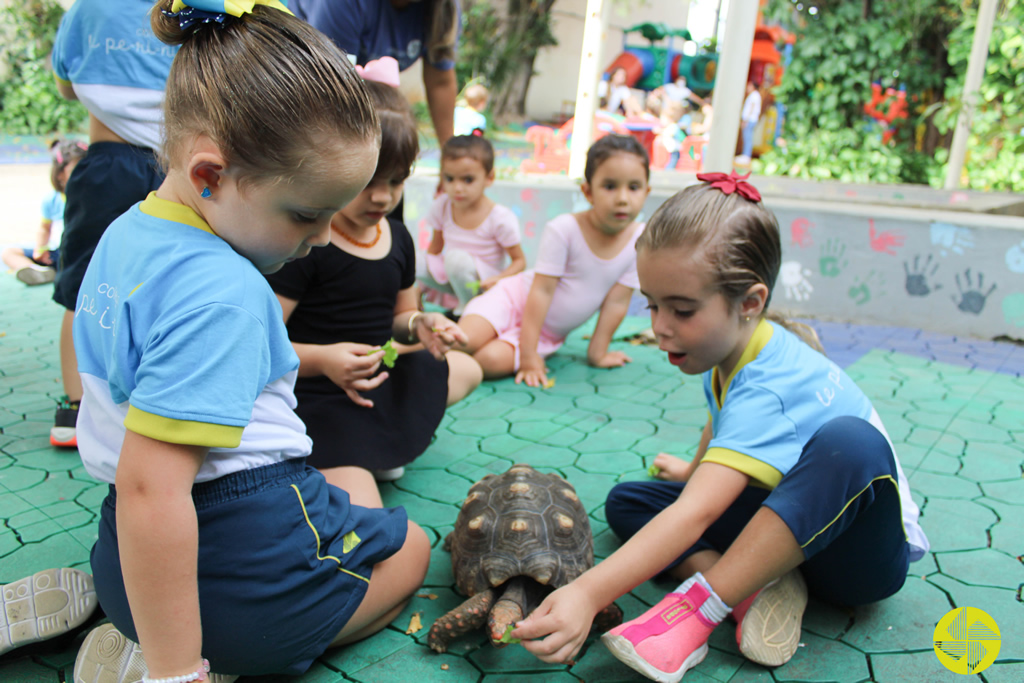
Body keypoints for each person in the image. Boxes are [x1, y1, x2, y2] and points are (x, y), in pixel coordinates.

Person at [63, 2, 431, 681]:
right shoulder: (223, 292)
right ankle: (229, 655)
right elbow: (156, 488)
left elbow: (134, 479)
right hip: (237, 580)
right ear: (210, 174)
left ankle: (145, 631)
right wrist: (178, 670)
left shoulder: (124, 233)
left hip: (124, 568)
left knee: (350, 478)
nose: (321, 238)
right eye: (305, 214)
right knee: (412, 544)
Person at [509, 174, 929, 682]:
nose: (660, 325)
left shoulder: (770, 382)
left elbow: (697, 512)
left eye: (681, 309)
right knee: (632, 500)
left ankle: (698, 609)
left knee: (852, 443)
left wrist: (585, 593)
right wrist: (692, 469)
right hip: (791, 528)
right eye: (652, 303)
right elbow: (722, 425)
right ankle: (756, 587)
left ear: (750, 302)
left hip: (858, 558)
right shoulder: (729, 355)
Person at [266, 80, 483, 488]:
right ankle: (358, 452)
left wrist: (421, 323)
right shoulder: (309, 242)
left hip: (378, 370)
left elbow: (401, 314)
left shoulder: (397, 237)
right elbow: (264, 343)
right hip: (319, 389)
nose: (383, 198)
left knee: (466, 368)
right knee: (362, 502)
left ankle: (385, 441)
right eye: (369, 181)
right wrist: (326, 360)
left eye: (397, 181)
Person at [48, 0, 176, 448]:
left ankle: (75, 404)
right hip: (176, 168)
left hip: (107, 162)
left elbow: (66, 85)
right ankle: (162, 397)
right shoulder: (191, 10)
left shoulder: (88, 9)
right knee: (171, 281)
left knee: (81, 288)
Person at [458, 134, 650, 386]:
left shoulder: (641, 240)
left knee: (488, 361)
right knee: (464, 341)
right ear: (588, 191)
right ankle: (419, 346)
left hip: (546, 334)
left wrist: (598, 353)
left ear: (647, 191)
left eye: (633, 187)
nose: (623, 198)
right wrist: (528, 356)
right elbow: (542, 291)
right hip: (510, 301)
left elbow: (617, 301)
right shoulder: (564, 229)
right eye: (610, 186)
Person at [291, 0, 461, 146]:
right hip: (301, 85)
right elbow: (331, 86)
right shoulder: (343, 4)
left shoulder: (443, 9)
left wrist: (450, 154)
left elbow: (440, 82)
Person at [419, 135, 526, 317]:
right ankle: (454, 304)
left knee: (456, 260)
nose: (457, 188)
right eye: (450, 179)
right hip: (454, 277)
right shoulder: (443, 205)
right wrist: (419, 287)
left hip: (485, 283)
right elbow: (434, 249)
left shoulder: (499, 217)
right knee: (413, 261)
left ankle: (468, 313)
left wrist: (498, 280)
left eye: (468, 180)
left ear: (489, 178)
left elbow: (520, 261)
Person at [2, 139, 87, 286]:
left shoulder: (91, 198)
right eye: (77, 170)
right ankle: (36, 271)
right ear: (60, 173)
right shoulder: (52, 199)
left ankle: (53, 272)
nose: (84, 174)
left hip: (79, 254)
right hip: (56, 252)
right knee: (9, 253)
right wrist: (40, 249)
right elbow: (44, 228)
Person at [655, 100, 686, 170]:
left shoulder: (673, 126)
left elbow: (670, 133)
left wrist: (660, 131)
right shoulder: (671, 126)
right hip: (671, 148)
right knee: (671, 159)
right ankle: (669, 169)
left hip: (674, 148)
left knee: (673, 160)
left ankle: (669, 169)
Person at [740, 81, 762, 162]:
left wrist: (745, 120)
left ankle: (746, 155)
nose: (747, 87)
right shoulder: (755, 95)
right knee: (747, 137)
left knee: (747, 137)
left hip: (750, 120)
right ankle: (745, 155)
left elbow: (751, 108)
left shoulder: (754, 95)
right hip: (750, 120)